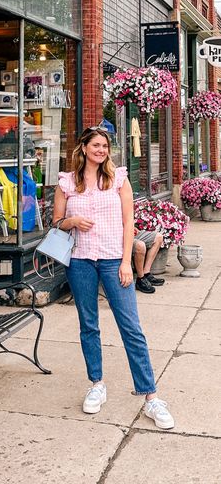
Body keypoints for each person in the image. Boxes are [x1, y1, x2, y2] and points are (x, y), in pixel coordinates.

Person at [52, 127, 174, 429]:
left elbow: (128, 223)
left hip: (112, 261)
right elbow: (56, 224)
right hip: (80, 263)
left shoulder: (118, 179)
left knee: (131, 328)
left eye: (105, 145)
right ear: (82, 148)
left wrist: (125, 264)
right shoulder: (67, 183)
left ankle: (151, 397)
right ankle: (97, 384)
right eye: (95, 145)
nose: (101, 150)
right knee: (88, 325)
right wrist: (72, 221)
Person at [133, 229, 166, 294]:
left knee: (158, 237)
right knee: (140, 245)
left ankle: (146, 273)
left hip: (129, 232)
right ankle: (140, 278)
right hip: (120, 237)